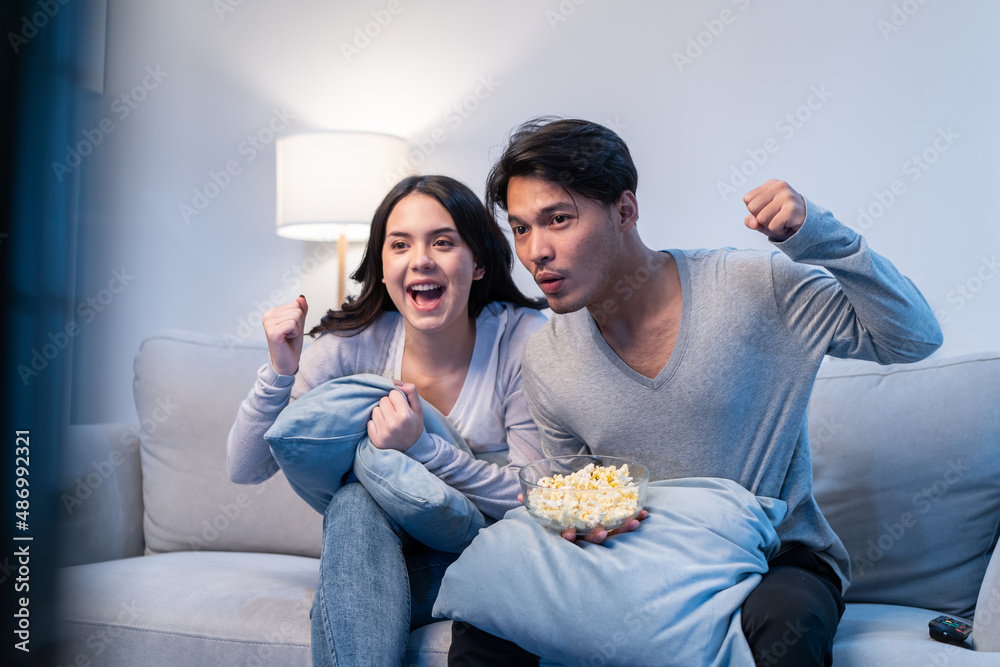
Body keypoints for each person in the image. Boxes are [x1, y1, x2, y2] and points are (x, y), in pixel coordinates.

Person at [447, 118, 943, 667]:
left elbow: (914, 337)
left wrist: (819, 234)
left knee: (783, 625)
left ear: (625, 211)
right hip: (638, 561)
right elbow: (579, 493)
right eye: (520, 229)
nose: (535, 250)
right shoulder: (547, 358)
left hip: (774, 558)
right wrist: (575, 521)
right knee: (487, 627)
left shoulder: (754, 288)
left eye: (558, 220)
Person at [226, 174, 547, 667]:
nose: (420, 258)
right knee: (356, 503)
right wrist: (279, 371)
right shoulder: (356, 345)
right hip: (374, 554)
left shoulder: (519, 340)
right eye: (400, 245)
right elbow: (244, 467)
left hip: (485, 555)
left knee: (350, 549)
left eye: (443, 242)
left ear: (478, 262)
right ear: (382, 264)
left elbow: (533, 498)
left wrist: (421, 448)